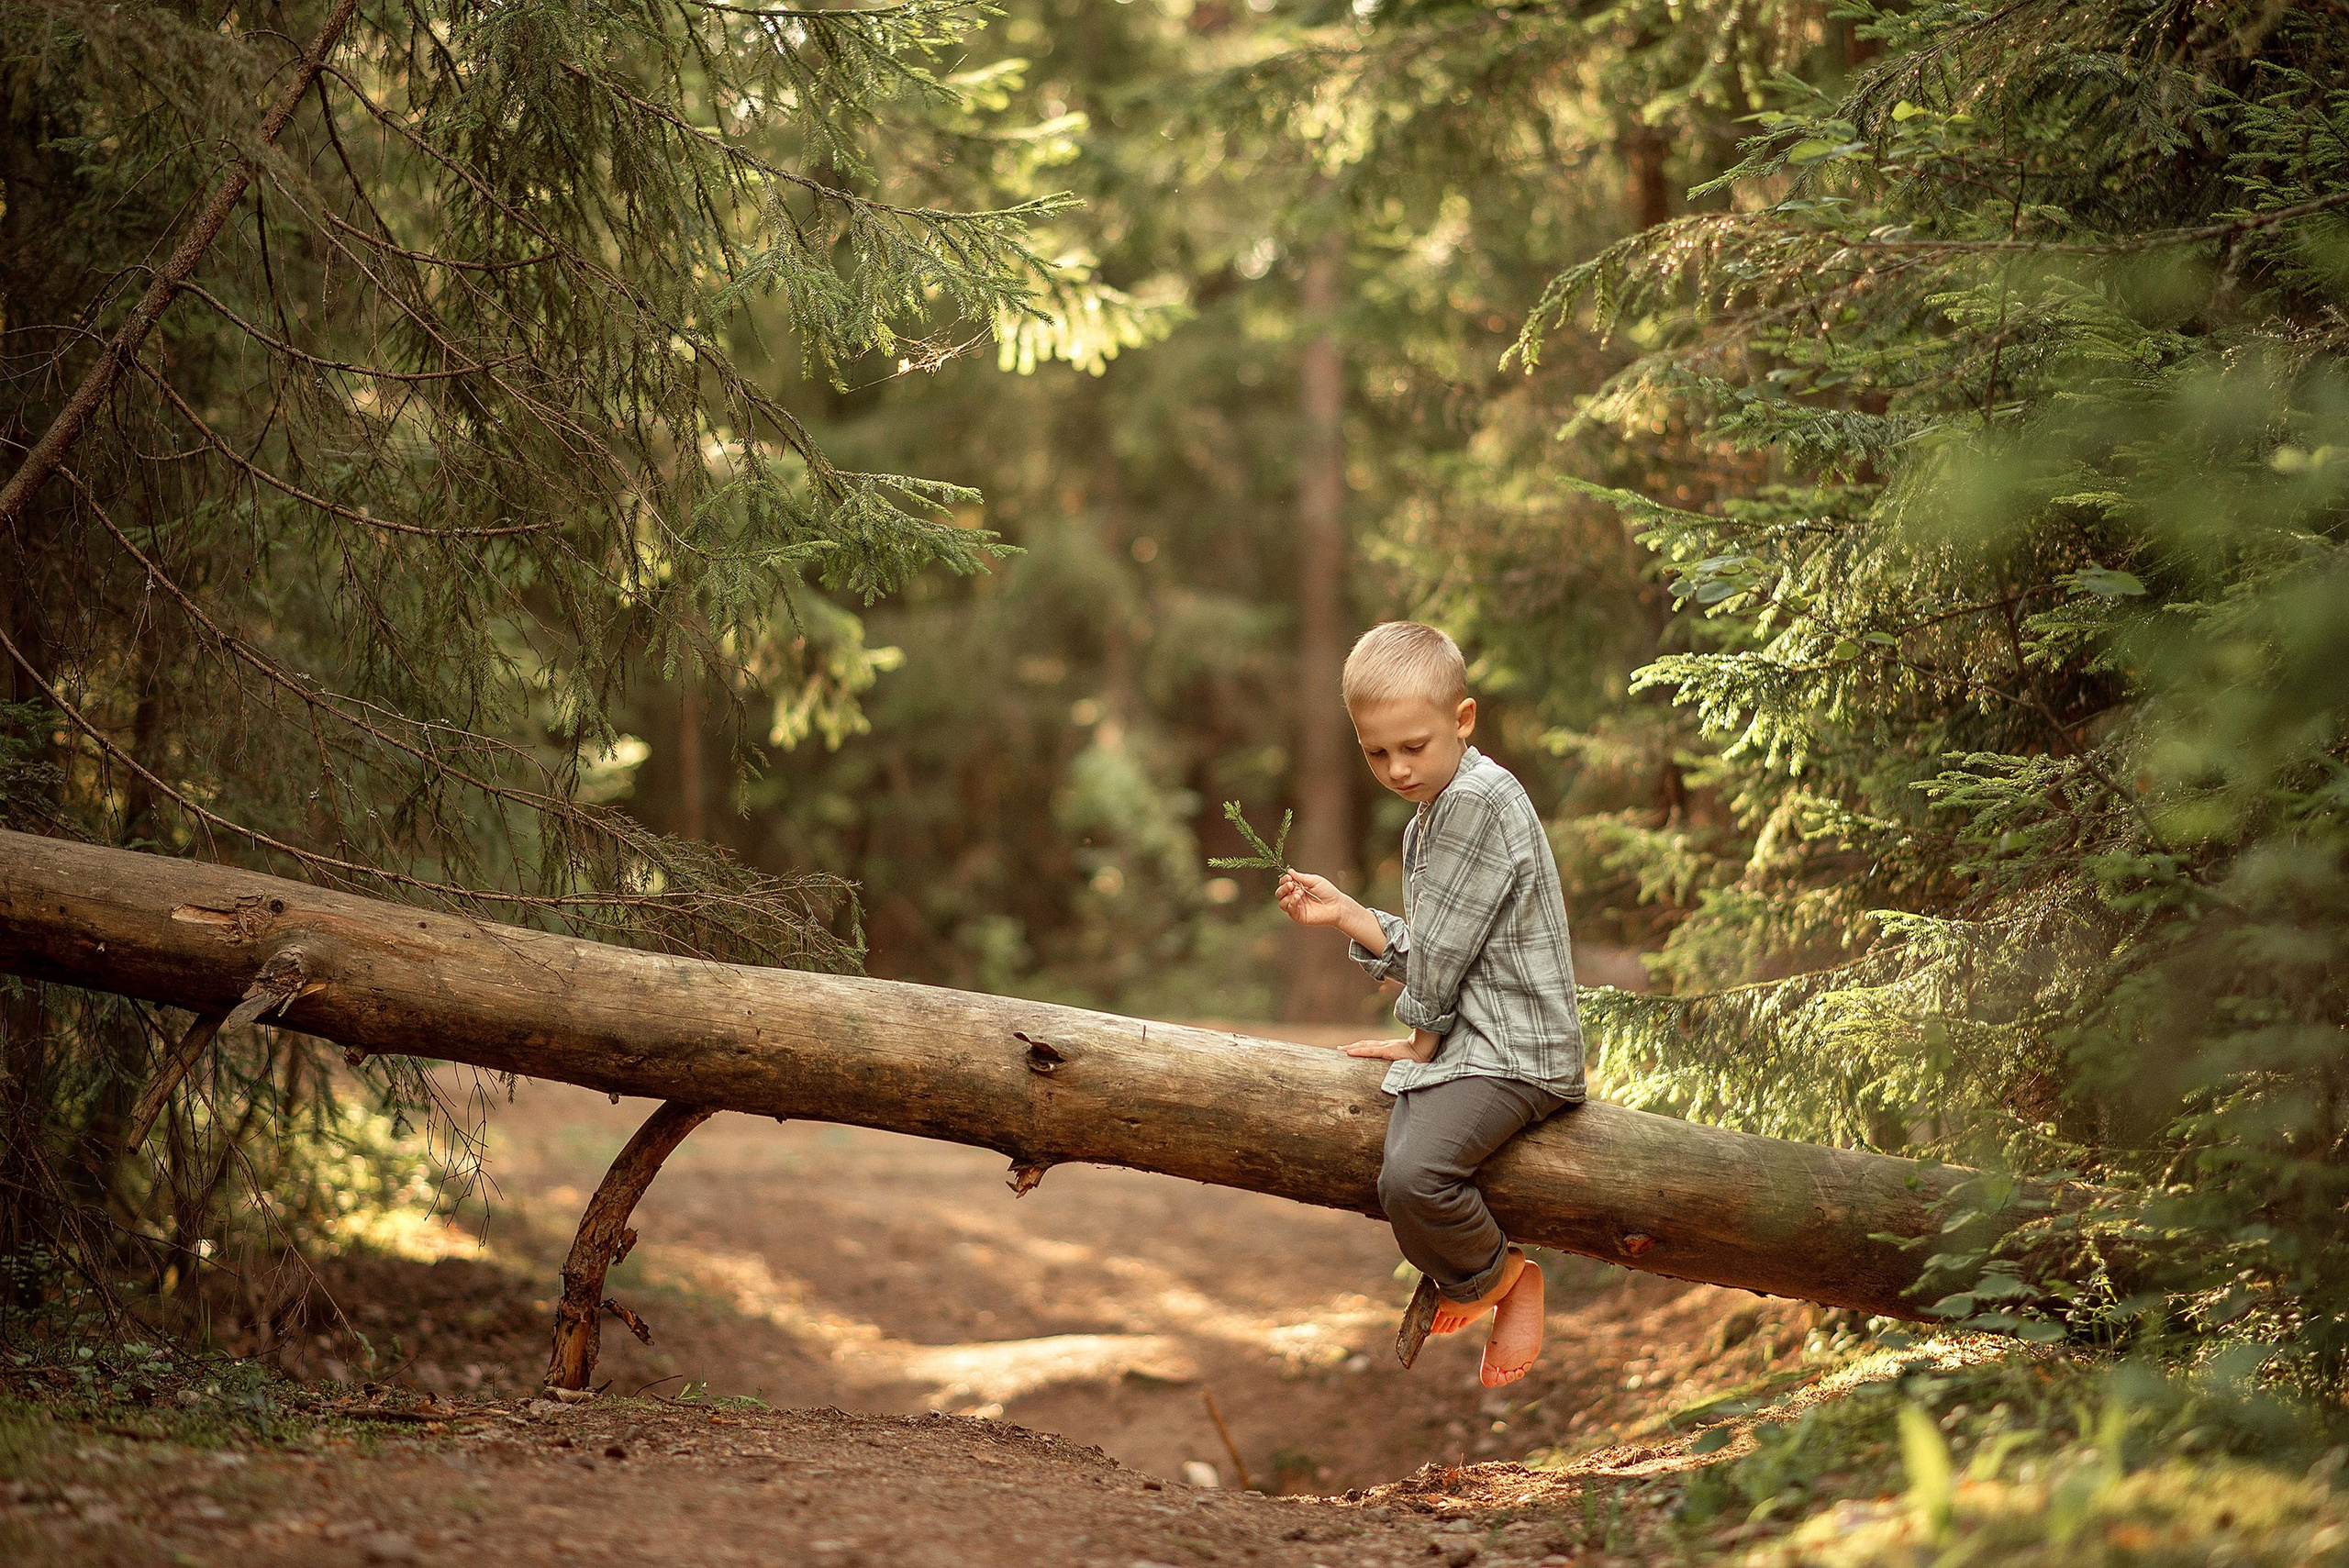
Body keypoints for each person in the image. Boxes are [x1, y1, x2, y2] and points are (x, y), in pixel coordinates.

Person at [1276, 620, 1585, 1387]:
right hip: (1479, 1041)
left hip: (1519, 1051)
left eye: (1413, 746)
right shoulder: (1440, 808)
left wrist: (1420, 1041)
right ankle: (1474, 1271)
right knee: (1393, 1151)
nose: (1397, 767)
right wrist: (1351, 913)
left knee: (1413, 1176)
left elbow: (1442, 962)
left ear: (1463, 718)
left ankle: (1501, 1278)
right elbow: (1442, 942)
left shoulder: (1477, 801)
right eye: (1377, 752)